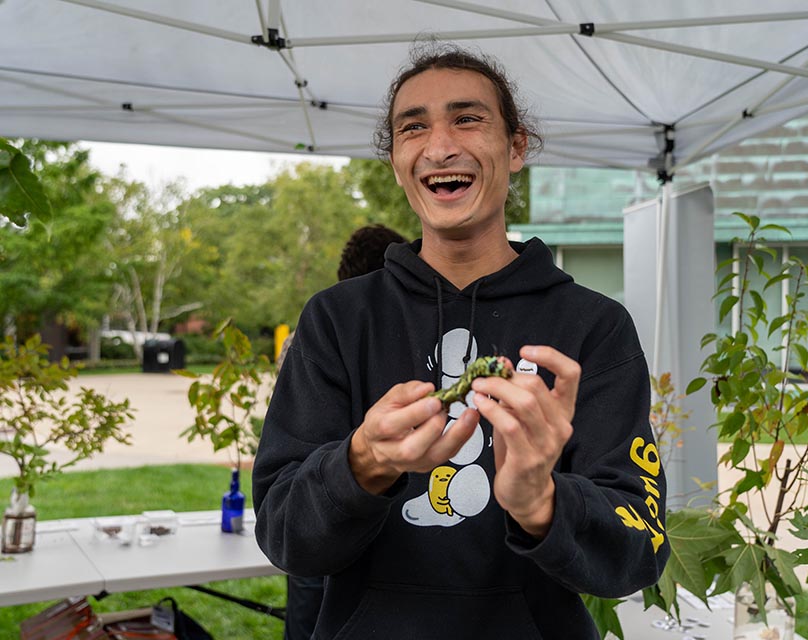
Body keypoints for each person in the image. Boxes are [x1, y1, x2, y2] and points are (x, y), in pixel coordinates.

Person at [253, 43, 669, 640]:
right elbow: (285, 536)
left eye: (468, 119)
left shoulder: (594, 327)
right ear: (396, 160)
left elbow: (637, 554)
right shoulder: (337, 320)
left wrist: (539, 500)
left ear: (517, 146)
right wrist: (362, 462)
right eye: (412, 127)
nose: (440, 145)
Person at [279, 223, 407, 640]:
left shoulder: (304, 336)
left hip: (327, 507)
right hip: (345, 508)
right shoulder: (329, 328)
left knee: (307, 613)